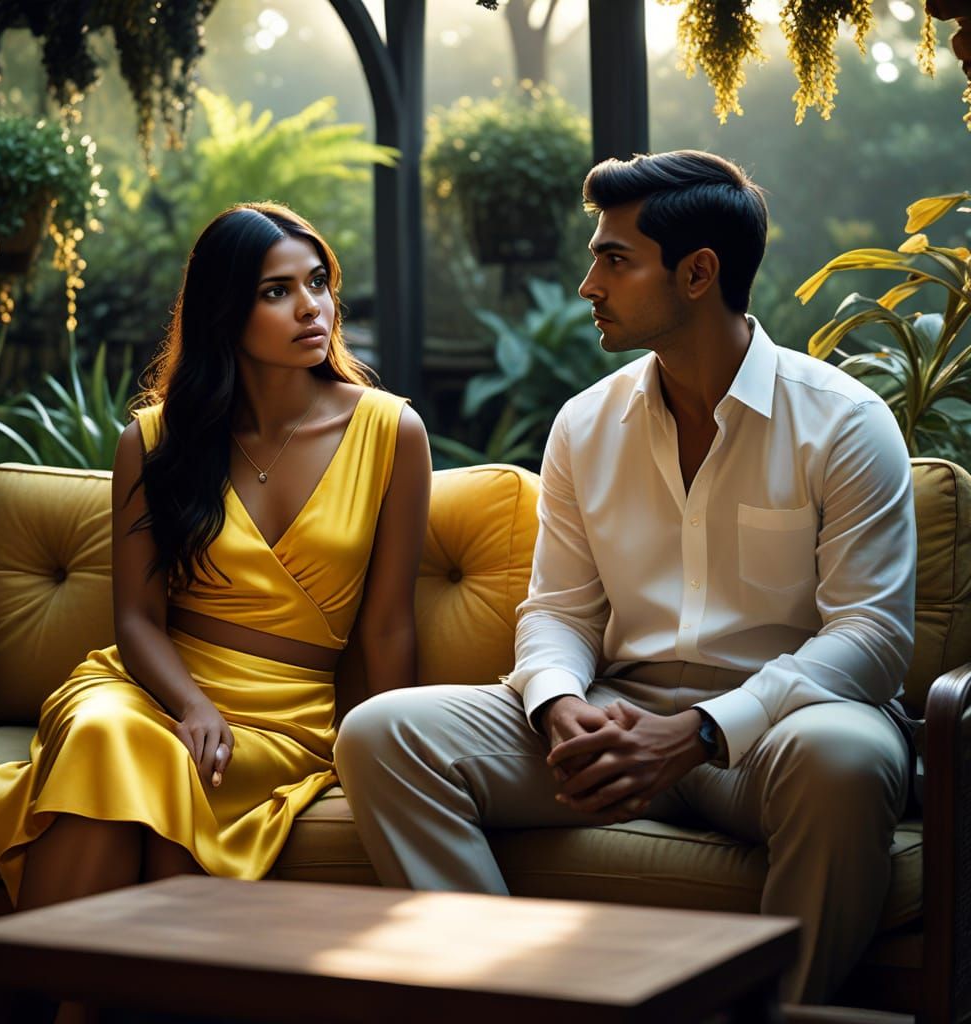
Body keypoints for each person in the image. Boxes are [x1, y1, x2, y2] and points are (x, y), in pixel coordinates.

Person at [334, 151, 915, 1005]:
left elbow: (873, 640)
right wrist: (560, 704)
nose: (587, 285)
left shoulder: (845, 423)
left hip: (773, 736)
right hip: (613, 717)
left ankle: (785, 1018)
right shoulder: (583, 423)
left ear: (698, 273)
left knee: (848, 758)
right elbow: (558, 610)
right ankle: (514, 1002)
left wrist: (703, 730)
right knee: (384, 733)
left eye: (614, 260)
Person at [0, 202, 431, 915]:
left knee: (152, 762)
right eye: (275, 292)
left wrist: (385, 758)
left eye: (318, 283)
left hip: (289, 721)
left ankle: (62, 1000)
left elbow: (388, 630)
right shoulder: (155, 441)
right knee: (109, 733)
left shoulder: (391, 431)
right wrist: (192, 705)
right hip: (157, 689)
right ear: (225, 310)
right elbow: (136, 618)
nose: (311, 307)